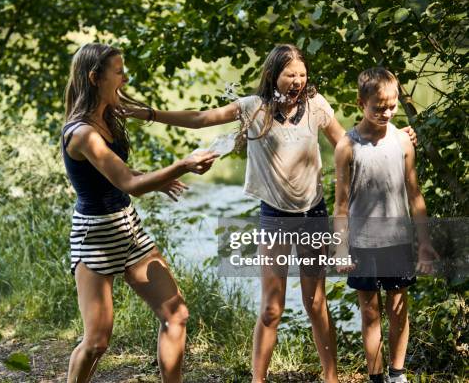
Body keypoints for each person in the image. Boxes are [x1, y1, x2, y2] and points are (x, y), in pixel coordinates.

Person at [124, 44, 417, 383]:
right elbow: (201, 119)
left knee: (315, 304)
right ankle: (257, 379)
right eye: (290, 74)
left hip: (314, 215)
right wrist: (149, 114)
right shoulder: (253, 109)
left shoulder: (316, 106)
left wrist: (395, 136)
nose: (297, 81)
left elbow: (350, 146)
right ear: (274, 75)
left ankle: (331, 378)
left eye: (302, 75)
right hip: (274, 218)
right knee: (271, 309)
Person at [62, 42, 218, 383]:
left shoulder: (107, 117)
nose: (125, 78)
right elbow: (128, 183)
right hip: (96, 238)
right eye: (118, 72)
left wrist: (153, 181)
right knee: (97, 341)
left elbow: (124, 174)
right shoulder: (83, 133)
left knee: (176, 314)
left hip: (129, 231)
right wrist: (181, 165)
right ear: (94, 77)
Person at [333, 67, 438, 383]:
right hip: (362, 242)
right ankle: (376, 377)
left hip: (397, 240)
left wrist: (424, 242)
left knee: (398, 309)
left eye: (392, 106)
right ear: (360, 103)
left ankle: (398, 374)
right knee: (370, 312)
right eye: (378, 107)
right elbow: (340, 204)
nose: (386, 112)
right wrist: (340, 249)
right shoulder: (347, 146)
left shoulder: (403, 141)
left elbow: (414, 192)